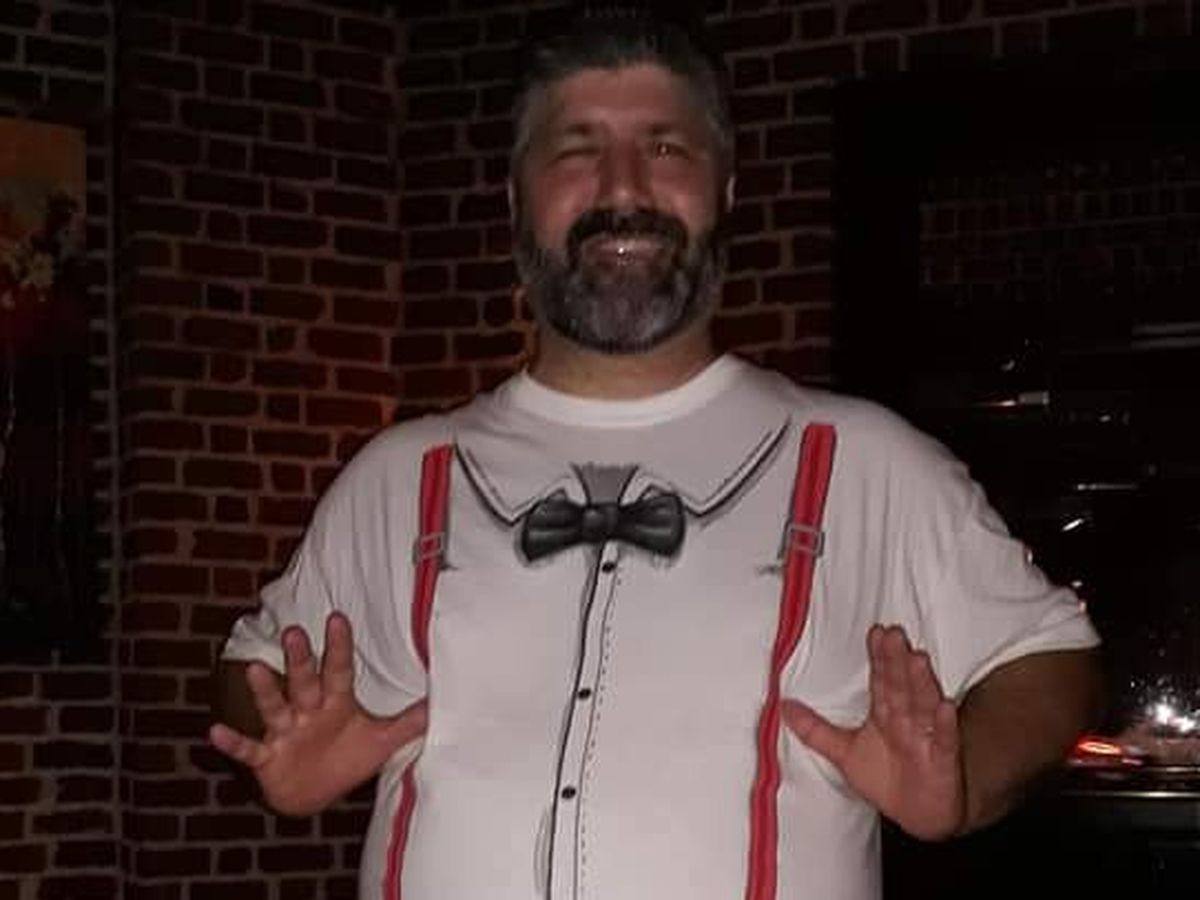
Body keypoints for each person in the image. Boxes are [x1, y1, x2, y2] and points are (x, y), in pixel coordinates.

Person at [210, 7, 1102, 900]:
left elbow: (1049, 654)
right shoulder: (400, 477)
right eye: (577, 149)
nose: (623, 188)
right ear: (516, 199)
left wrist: (964, 782)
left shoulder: (865, 462)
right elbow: (255, 670)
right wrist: (281, 733)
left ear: (726, 190)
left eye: (666, 148)